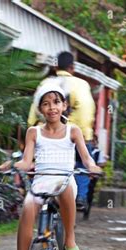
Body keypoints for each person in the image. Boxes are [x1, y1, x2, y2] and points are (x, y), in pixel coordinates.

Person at [11, 83, 102, 250]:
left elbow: (86, 159)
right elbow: (26, 162)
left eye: (56, 102)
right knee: (27, 208)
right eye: (46, 104)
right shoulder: (34, 132)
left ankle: (70, 240)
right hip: (42, 180)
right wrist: (12, 165)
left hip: (65, 179)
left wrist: (93, 167)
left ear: (64, 106)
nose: (51, 107)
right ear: (40, 109)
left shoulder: (73, 130)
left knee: (67, 189)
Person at [28, 51, 96, 210]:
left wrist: (32, 126)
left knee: (37, 165)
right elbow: (86, 112)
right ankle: (79, 197)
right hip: (74, 135)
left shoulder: (45, 84)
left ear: (55, 66)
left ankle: (37, 195)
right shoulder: (81, 84)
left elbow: (34, 110)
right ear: (72, 67)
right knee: (82, 164)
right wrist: (85, 135)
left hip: (44, 134)